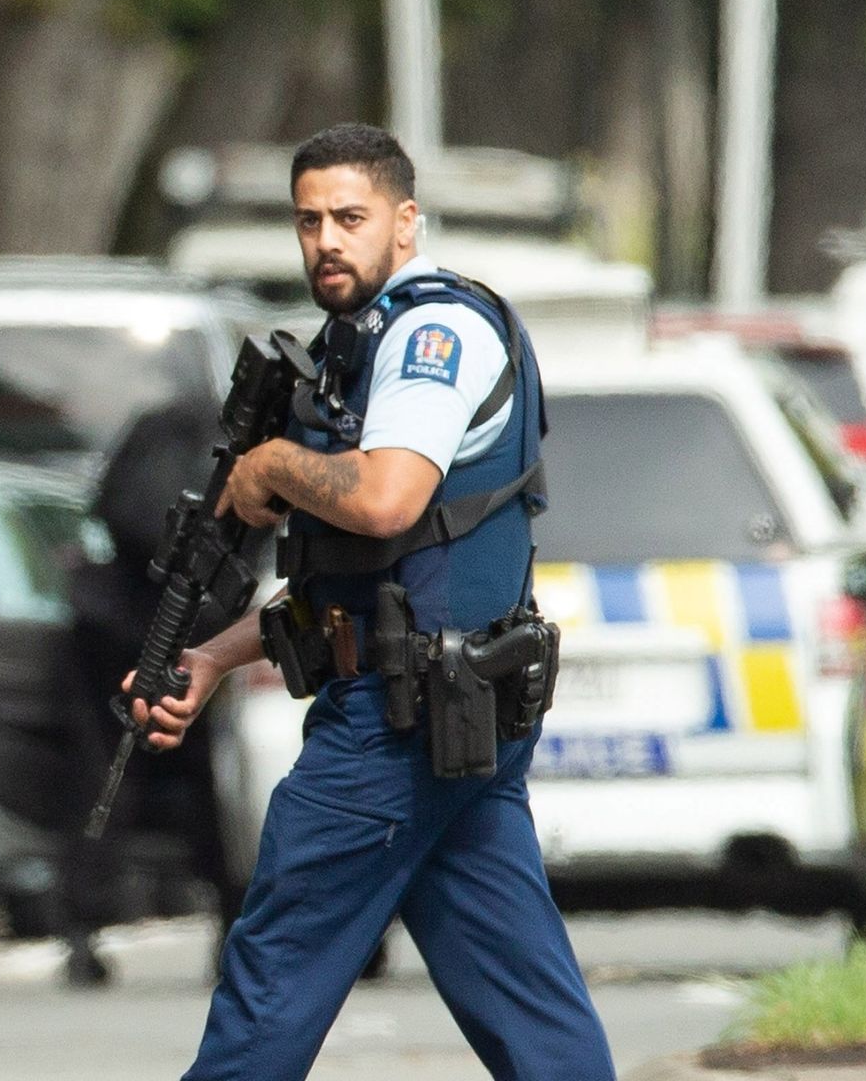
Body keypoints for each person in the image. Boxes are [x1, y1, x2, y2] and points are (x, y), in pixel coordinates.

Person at [126, 123, 616, 1080]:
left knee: (274, 970)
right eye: (308, 221)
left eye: (350, 218)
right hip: (440, 711)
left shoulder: (433, 333)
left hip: (397, 729)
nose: (326, 241)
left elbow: (391, 498)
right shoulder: (357, 345)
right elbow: (354, 588)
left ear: (405, 220)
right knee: (525, 1000)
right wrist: (221, 654)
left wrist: (272, 461)